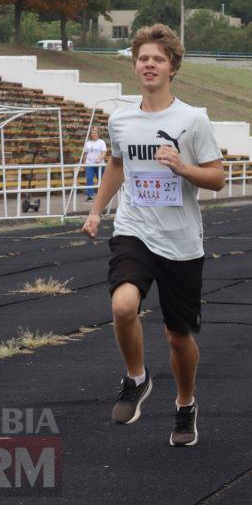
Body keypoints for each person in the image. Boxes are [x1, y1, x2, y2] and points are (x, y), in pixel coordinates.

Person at [81, 23, 225, 447]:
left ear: (172, 67)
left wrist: (183, 168)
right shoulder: (121, 120)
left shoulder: (193, 119)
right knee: (123, 306)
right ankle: (137, 378)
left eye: (157, 59)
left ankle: (185, 404)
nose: (149, 64)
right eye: (143, 58)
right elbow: (118, 166)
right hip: (134, 229)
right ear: (135, 65)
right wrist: (96, 210)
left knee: (178, 337)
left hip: (181, 241)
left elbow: (217, 178)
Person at [82, 127, 108, 201]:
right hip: (89, 163)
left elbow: (104, 152)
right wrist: (84, 162)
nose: (93, 134)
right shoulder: (88, 143)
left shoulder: (101, 142)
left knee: (101, 179)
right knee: (89, 178)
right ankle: (90, 195)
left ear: (98, 134)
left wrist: (99, 159)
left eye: (95, 133)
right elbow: (85, 153)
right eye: (92, 133)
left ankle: (103, 195)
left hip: (99, 164)